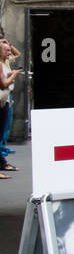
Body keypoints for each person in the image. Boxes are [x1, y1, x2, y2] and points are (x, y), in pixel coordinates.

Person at [0, 39, 21, 176]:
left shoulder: (5, 62)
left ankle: (2, 163)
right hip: (2, 99)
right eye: (6, 50)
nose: (9, 53)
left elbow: (17, 54)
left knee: (2, 131)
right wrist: (14, 75)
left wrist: (8, 45)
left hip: (5, 100)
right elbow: (3, 84)